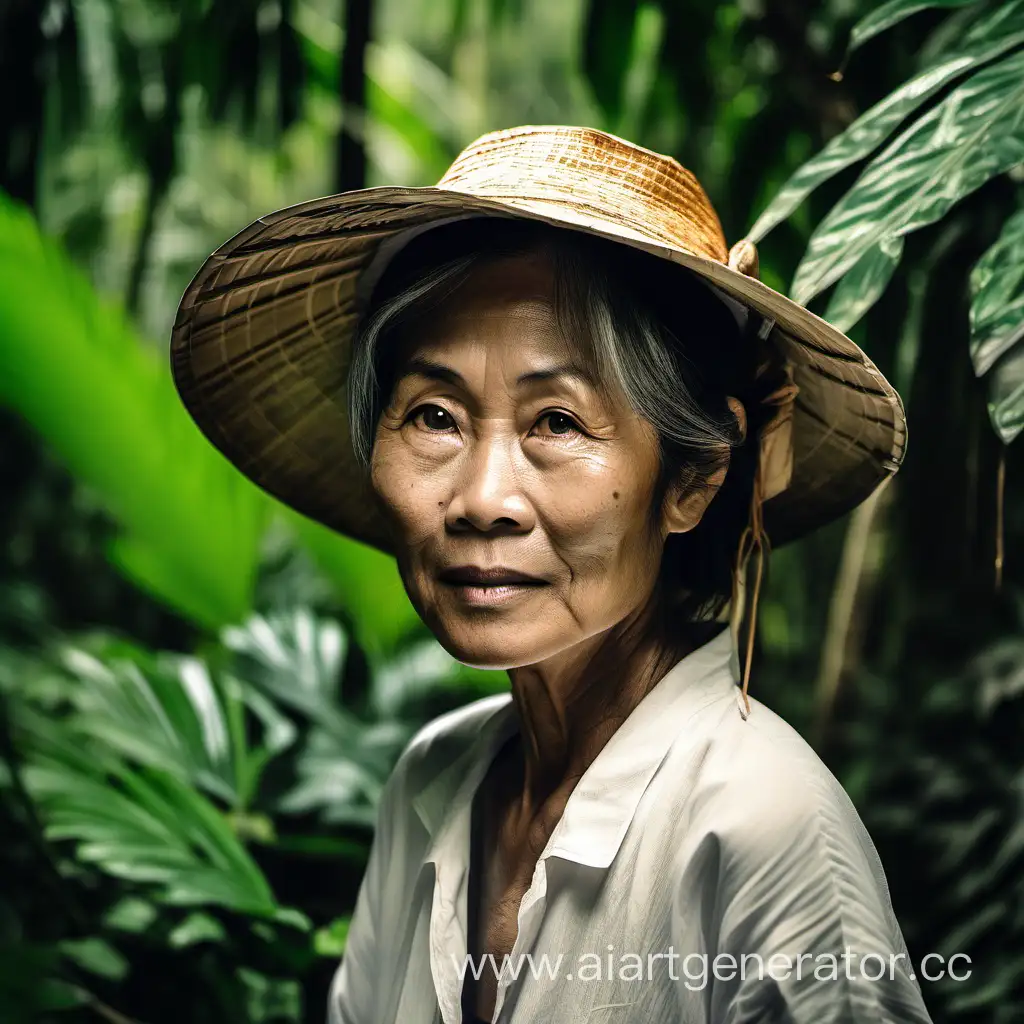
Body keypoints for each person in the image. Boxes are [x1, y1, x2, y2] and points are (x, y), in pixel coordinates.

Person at [170, 126, 930, 1024]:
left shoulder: (766, 826)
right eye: (435, 415)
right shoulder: (431, 781)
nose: (483, 499)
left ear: (692, 481)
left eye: (559, 423)